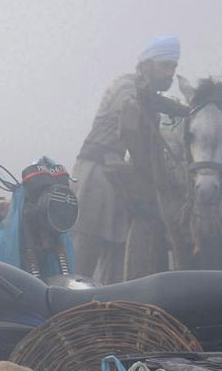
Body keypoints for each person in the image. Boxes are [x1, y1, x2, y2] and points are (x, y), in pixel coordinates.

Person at [71, 35, 187, 283]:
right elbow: (134, 116)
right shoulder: (126, 87)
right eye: (165, 66)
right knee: (82, 261)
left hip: (117, 178)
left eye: (173, 68)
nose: (170, 73)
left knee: (117, 263)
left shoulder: (147, 95)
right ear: (146, 64)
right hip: (96, 175)